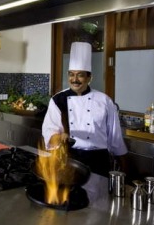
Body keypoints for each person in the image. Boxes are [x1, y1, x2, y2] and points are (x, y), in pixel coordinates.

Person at [42, 42, 128, 177]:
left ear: (89, 78)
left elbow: (115, 136)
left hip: (99, 159)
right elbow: (48, 133)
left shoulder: (104, 101)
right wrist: (60, 137)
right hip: (70, 158)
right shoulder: (58, 100)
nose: (74, 79)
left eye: (80, 75)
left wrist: (123, 166)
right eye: (71, 74)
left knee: (99, 196)